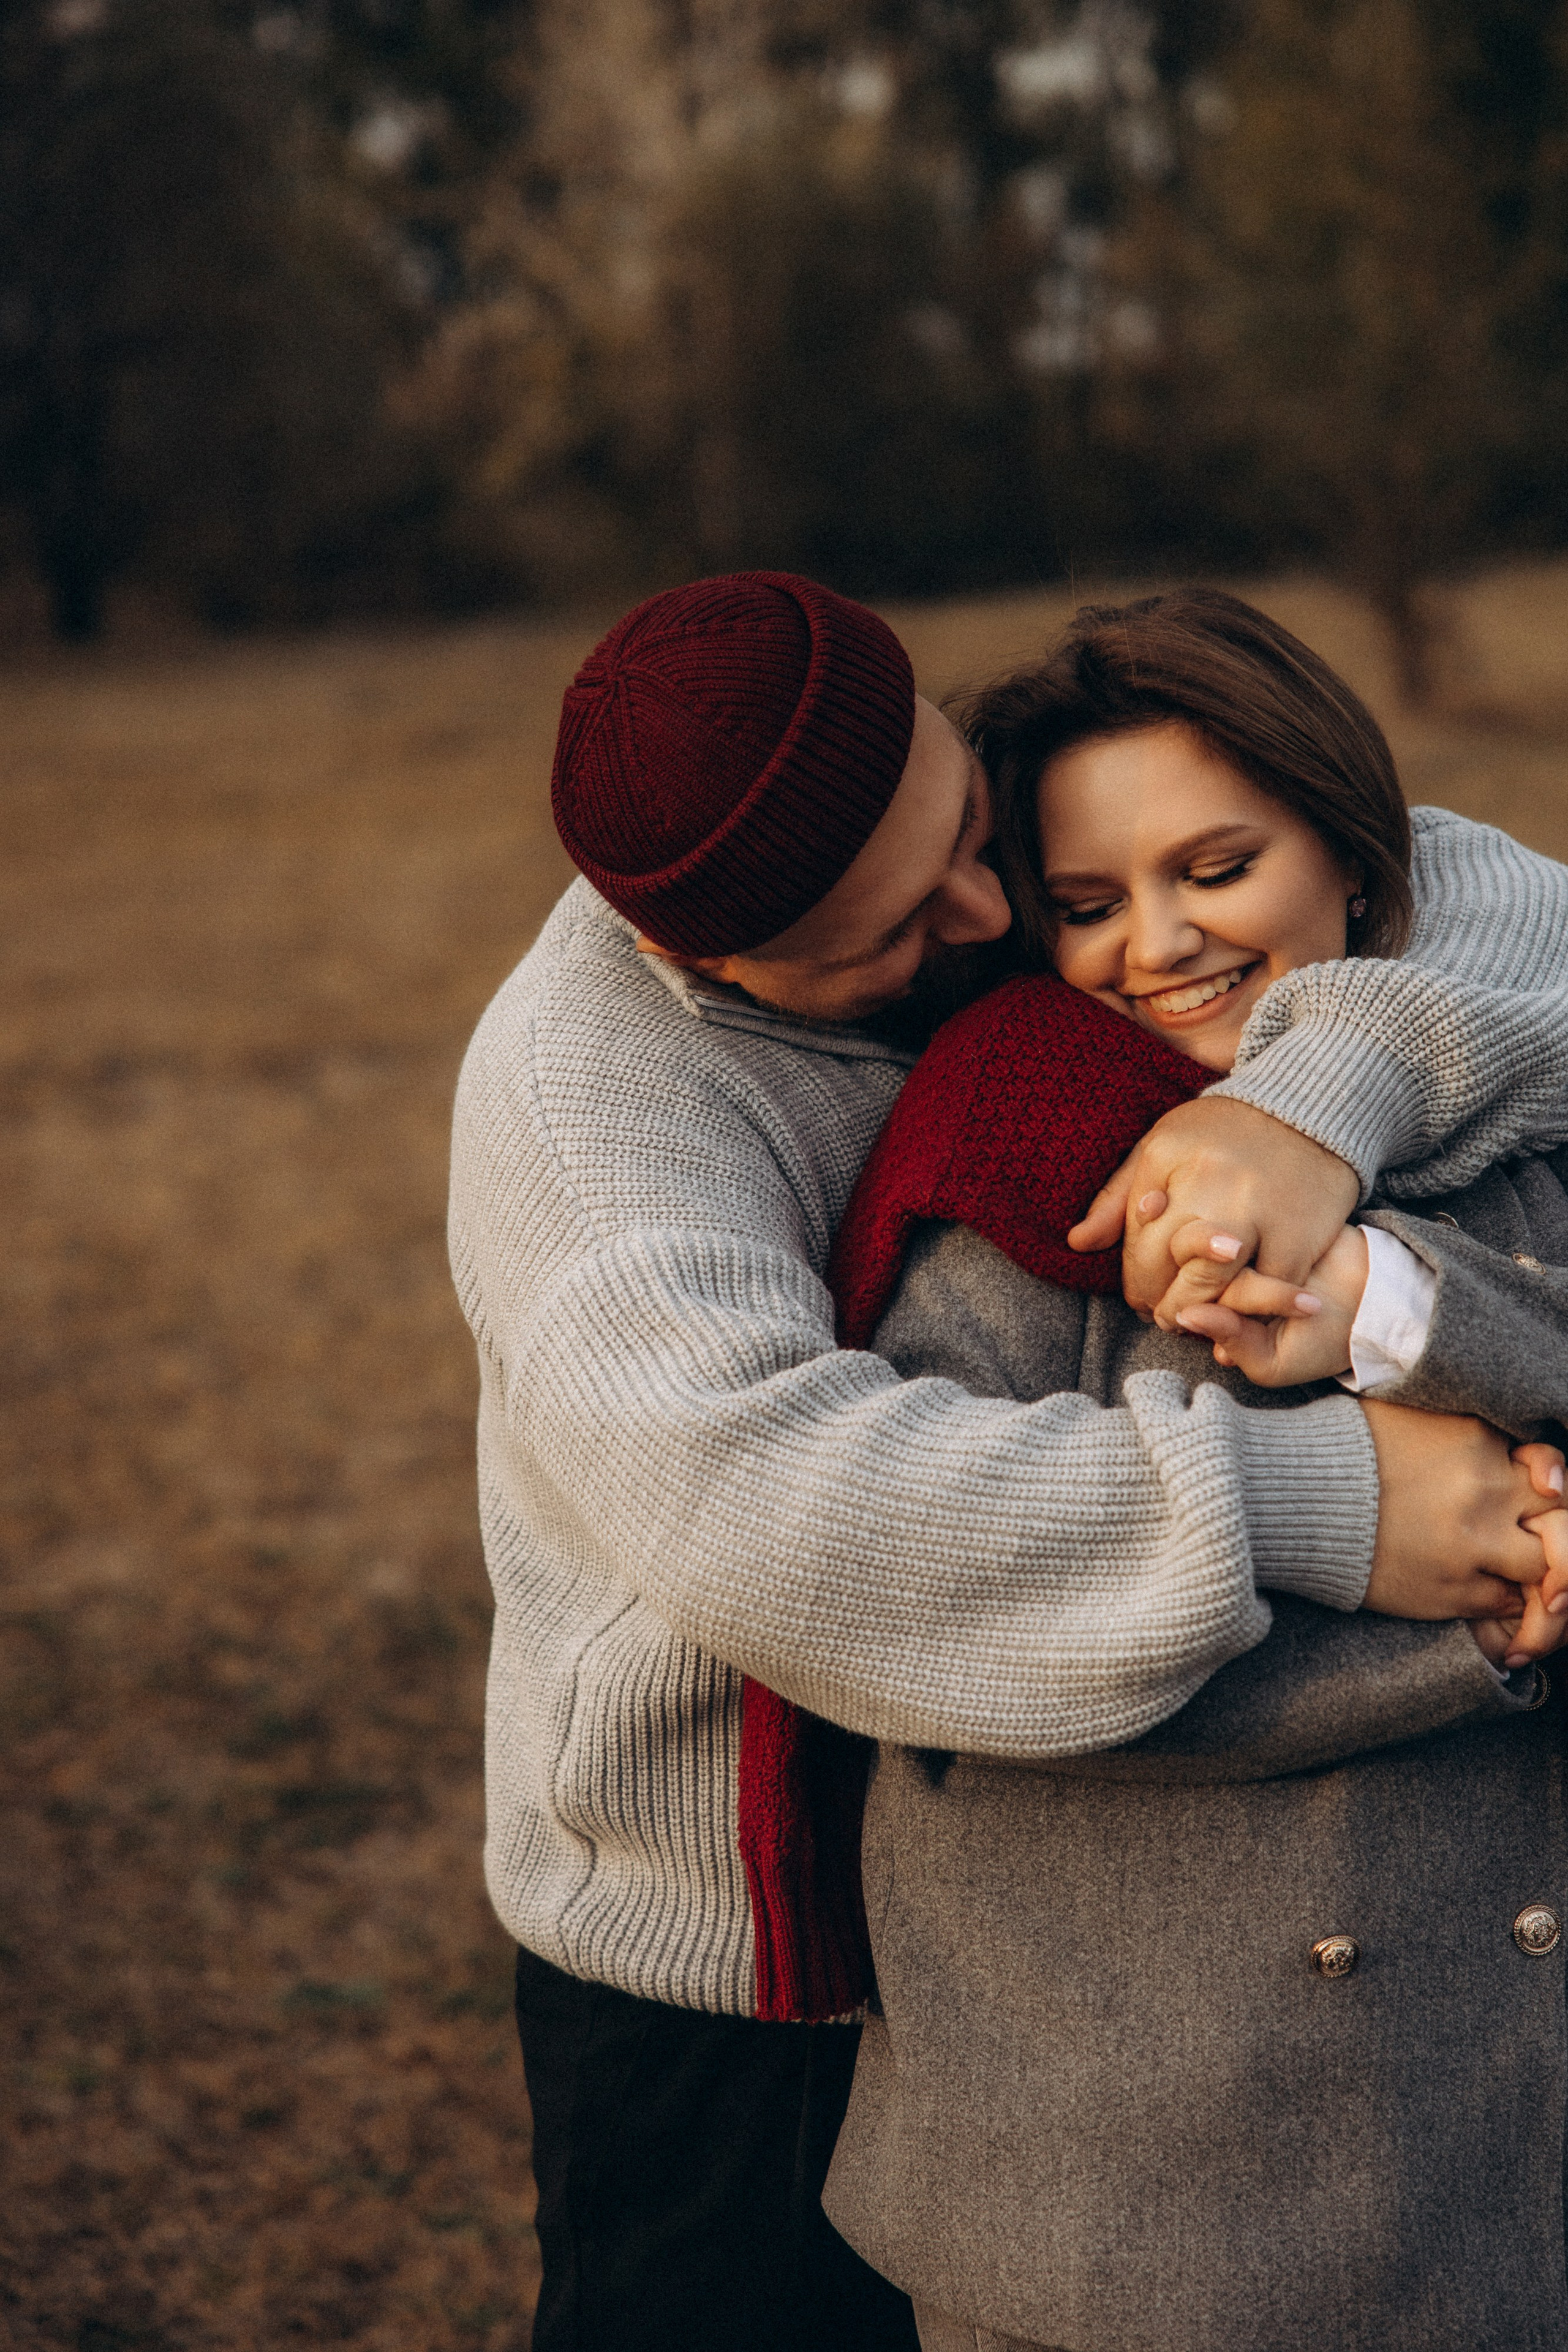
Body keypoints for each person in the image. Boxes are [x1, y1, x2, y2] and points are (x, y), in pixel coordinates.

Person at [447, 572, 1568, 2352]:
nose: (981, 917)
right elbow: (785, 1521)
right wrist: (1327, 1500)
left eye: (971, 828)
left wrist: (1305, 1101)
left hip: (1034, 1928)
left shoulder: (1015, 858)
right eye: (895, 930)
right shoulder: (597, 1118)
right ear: (706, 961)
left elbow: (1479, 887)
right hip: (739, 1944)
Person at [818, 589, 1568, 2352]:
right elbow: (972, 1653)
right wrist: (1483, 1611)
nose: (1155, 945)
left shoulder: (1505, 1107)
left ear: (1361, 868)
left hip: (1497, 2153)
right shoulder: (1003, 1196)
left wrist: (1386, 1302)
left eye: (1213, 868)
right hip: (1134, 2203)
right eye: (1086, 903)